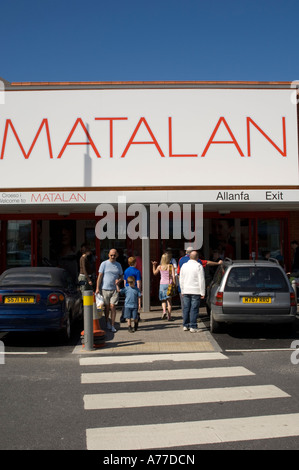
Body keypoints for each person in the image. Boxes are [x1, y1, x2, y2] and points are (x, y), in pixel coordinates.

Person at [95, 248, 123, 333]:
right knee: (106, 307)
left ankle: (113, 325)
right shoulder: (104, 264)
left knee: (112, 306)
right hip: (105, 289)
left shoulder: (118, 265)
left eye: (114, 255)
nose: (113, 257)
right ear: (108, 255)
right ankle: (107, 321)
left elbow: (122, 275)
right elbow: (99, 276)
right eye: (111, 255)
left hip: (114, 289)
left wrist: (119, 280)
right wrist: (97, 288)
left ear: (117, 255)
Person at [179, 250, 205, 333]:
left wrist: (182, 290)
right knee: (194, 309)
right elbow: (201, 280)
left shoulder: (184, 265)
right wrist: (202, 292)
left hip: (186, 290)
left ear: (189, 257)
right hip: (196, 290)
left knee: (186, 308)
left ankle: (185, 325)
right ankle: (193, 326)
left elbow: (181, 279)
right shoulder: (198, 266)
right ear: (197, 257)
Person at [152, 253, 175, 321]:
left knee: (163, 300)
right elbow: (173, 276)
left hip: (162, 284)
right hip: (169, 284)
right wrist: (174, 284)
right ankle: (169, 316)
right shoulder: (171, 266)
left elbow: (154, 273)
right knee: (169, 302)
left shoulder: (160, 266)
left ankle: (164, 311)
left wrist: (153, 265)